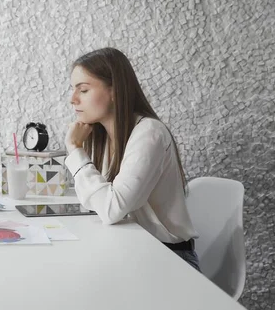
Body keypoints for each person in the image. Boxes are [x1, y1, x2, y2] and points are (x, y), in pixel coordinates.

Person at [64, 47, 200, 270]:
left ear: (114, 91)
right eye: (73, 90)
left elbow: (111, 209)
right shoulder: (105, 138)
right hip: (134, 252)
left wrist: (75, 149)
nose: (73, 99)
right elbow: (95, 202)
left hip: (171, 261)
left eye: (84, 90)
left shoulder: (149, 133)